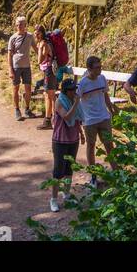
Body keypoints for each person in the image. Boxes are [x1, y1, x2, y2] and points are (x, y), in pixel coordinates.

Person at [77, 55, 116, 181]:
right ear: (89, 68)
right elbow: (76, 100)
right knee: (91, 146)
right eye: (97, 68)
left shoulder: (102, 78)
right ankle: (93, 175)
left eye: (100, 67)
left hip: (104, 117)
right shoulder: (83, 83)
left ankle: (116, 172)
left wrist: (111, 109)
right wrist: (79, 119)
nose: (100, 70)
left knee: (109, 145)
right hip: (89, 120)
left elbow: (105, 95)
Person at [50, 77, 83, 212]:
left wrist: (81, 133)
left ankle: (67, 193)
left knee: (69, 168)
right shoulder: (60, 101)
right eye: (71, 90)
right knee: (58, 171)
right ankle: (53, 199)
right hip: (60, 140)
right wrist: (76, 103)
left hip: (73, 138)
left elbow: (76, 119)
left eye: (75, 89)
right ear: (65, 91)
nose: (74, 92)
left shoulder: (72, 100)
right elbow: (68, 117)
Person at [7, 16, 36, 120]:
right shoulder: (13, 38)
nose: (19, 26)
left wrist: (43, 60)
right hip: (16, 67)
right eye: (17, 25)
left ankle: (27, 109)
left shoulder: (30, 36)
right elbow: (9, 54)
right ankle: (17, 110)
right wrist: (10, 69)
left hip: (27, 66)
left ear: (25, 25)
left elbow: (36, 48)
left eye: (21, 24)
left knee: (28, 88)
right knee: (15, 88)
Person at [35, 24, 57, 128]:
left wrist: (39, 47)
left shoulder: (44, 44)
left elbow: (39, 60)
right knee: (50, 95)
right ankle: (54, 120)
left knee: (49, 95)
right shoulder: (47, 42)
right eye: (35, 33)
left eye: (37, 33)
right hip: (50, 71)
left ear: (42, 33)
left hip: (49, 71)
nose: (36, 35)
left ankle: (48, 121)